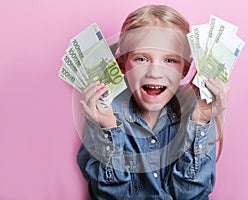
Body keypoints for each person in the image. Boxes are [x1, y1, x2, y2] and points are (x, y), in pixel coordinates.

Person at [77, 4, 229, 200]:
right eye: (141, 59)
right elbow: (108, 196)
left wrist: (200, 122)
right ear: (123, 64)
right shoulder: (105, 113)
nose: (155, 73)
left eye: (169, 60)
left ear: (185, 68)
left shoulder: (197, 110)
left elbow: (192, 195)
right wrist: (109, 131)